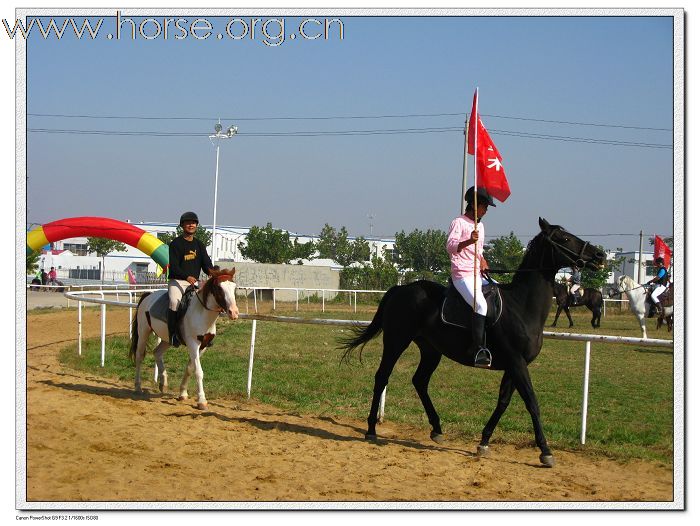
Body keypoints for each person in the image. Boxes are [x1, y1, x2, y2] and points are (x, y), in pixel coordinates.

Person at [446, 186, 496, 368]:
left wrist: (482, 260)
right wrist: (468, 240)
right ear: (475, 205)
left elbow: (478, 251)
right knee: (481, 305)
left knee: (498, 294)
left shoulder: (480, 226)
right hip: (462, 274)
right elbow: (451, 247)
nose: (486, 210)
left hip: (477, 273)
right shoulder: (458, 222)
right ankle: (478, 349)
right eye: (485, 206)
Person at [167, 211, 214, 346]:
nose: (191, 225)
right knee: (174, 303)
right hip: (178, 281)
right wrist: (186, 277)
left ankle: (206, 333)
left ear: (197, 225)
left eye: (193, 223)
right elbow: (174, 267)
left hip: (194, 283)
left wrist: (213, 272)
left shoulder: (199, 245)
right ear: (182, 225)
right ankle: (173, 335)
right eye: (188, 223)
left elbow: (206, 265)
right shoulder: (175, 244)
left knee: (207, 300)